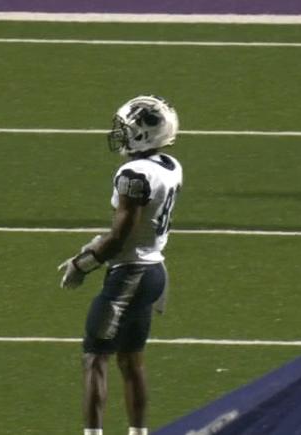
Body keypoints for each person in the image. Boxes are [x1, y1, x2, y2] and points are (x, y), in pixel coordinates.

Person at [58, 95, 183, 435]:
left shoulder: (134, 173)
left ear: (144, 134)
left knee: (95, 358)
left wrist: (83, 263)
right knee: (132, 361)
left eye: (128, 129)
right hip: (155, 271)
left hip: (130, 275)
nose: (121, 134)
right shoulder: (169, 166)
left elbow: (121, 235)